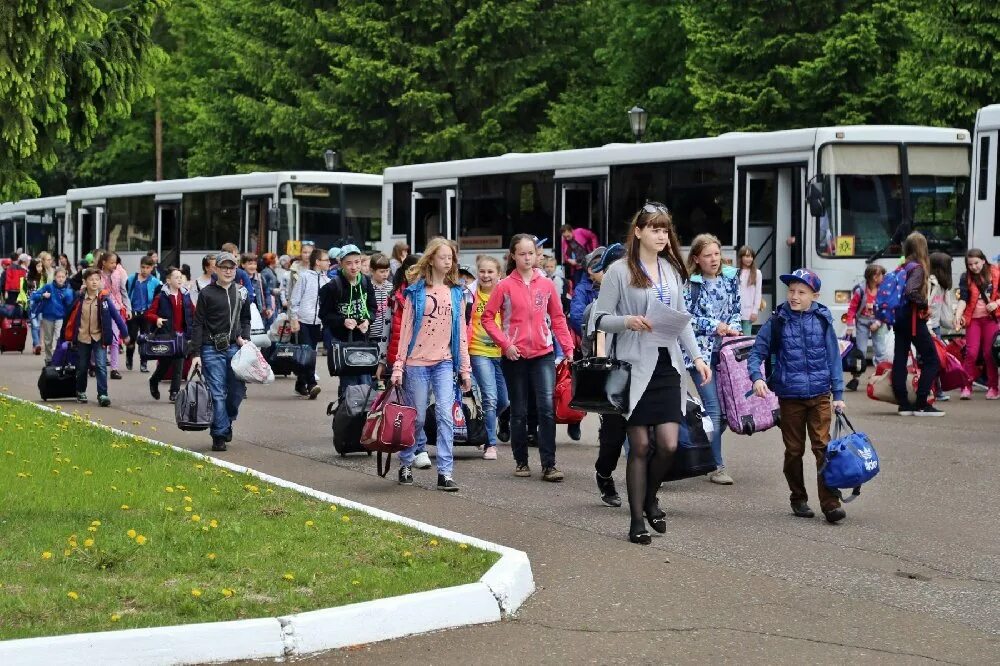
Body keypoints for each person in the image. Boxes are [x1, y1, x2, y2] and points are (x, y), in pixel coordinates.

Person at [591, 203, 711, 544]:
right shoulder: (618, 271)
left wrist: (698, 358)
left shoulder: (672, 270)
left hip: (667, 364)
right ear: (639, 232)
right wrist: (627, 321)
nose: (661, 235)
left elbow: (682, 318)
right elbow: (598, 319)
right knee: (640, 445)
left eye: (665, 230)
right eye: (655, 229)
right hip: (634, 365)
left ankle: (649, 497)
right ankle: (636, 522)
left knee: (669, 444)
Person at [747, 268, 847, 523]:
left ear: (815, 295)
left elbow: (834, 358)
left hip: (820, 394)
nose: (794, 296)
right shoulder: (778, 320)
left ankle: (830, 502)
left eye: (801, 292)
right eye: (791, 291)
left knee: (822, 448)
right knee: (794, 450)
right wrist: (757, 378)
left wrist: (838, 393)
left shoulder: (822, 320)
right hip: (790, 395)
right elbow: (756, 352)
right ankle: (798, 498)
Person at [483, 234, 576, 483]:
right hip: (515, 356)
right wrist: (505, 344)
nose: (527, 258)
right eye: (522, 253)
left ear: (537, 255)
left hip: (543, 353)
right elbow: (488, 318)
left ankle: (549, 465)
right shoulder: (504, 286)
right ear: (513, 256)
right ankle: (521, 461)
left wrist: (567, 347)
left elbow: (557, 317)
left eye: (531, 253)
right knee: (520, 411)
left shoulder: (546, 284)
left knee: (546, 408)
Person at [390, 239, 471, 491]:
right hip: (416, 363)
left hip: (444, 363)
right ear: (431, 259)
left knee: (446, 416)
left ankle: (445, 473)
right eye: (444, 257)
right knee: (418, 417)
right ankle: (405, 462)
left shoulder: (456, 293)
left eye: (451, 257)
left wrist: (465, 369)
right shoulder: (415, 292)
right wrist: (398, 366)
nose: (448, 261)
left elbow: (461, 334)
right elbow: (405, 331)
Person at [685, 233, 742, 485]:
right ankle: (717, 466)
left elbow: (737, 310)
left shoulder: (731, 279)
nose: (714, 259)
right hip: (700, 355)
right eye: (707, 255)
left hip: (728, 353)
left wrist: (734, 326)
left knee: (729, 412)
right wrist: (714, 325)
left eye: (717, 254)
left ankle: (697, 444)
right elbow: (686, 318)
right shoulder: (691, 284)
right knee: (714, 410)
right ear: (697, 259)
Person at [189, 252, 252, 451]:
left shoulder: (241, 292)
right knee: (217, 393)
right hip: (210, 348)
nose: (227, 271)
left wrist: (244, 336)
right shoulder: (207, 293)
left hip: (234, 347)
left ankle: (226, 421)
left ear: (236, 270)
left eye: (231, 267)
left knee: (237, 392)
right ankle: (219, 434)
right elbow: (197, 324)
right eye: (223, 267)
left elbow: (246, 319)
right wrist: (196, 354)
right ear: (215, 269)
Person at [891, 232, 943, 416]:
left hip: (899, 319)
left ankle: (903, 403)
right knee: (932, 359)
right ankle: (922, 402)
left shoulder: (901, 267)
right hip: (913, 319)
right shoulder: (918, 268)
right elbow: (910, 291)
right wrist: (923, 304)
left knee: (899, 359)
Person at [63, 268, 131, 407]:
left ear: (100, 282)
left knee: (100, 366)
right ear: (85, 282)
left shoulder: (104, 299)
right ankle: (81, 391)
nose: (94, 282)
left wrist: (125, 334)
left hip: (99, 338)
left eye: (97, 280)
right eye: (91, 280)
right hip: (82, 338)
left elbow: (117, 317)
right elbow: (69, 316)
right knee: (82, 367)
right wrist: (64, 337)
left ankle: (103, 394)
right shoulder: (80, 298)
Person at [319, 244, 377, 398]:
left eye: (357, 262)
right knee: (349, 384)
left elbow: (373, 308)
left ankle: (364, 419)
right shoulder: (332, 287)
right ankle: (347, 415)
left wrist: (368, 320)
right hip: (343, 342)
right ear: (341, 264)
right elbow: (324, 315)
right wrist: (342, 321)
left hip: (363, 340)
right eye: (349, 263)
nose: (354, 267)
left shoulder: (365, 282)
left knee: (366, 382)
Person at [467, 254, 510, 460]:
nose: (486, 275)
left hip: (502, 352)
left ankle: (483, 426)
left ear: (498, 274)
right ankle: (490, 444)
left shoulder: (505, 294)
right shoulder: (470, 294)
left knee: (504, 400)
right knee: (490, 397)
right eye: (482, 271)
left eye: (490, 272)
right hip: (478, 351)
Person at [955, 248, 1000, 400]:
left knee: (989, 354)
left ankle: (993, 387)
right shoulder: (966, 277)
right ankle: (966, 386)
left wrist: (996, 303)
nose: (974, 267)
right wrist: (958, 314)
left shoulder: (996, 272)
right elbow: (963, 299)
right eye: (970, 264)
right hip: (973, 320)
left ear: (983, 260)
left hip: (991, 319)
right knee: (971, 353)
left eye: (976, 263)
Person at [145, 267, 194, 402]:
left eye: (180, 277)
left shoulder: (185, 295)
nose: (179, 279)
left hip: (181, 336)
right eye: (176, 277)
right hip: (166, 336)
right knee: (165, 364)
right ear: (168, 280)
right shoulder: (161, 297)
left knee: (179, 363)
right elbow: (149, 314)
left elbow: (192, 312)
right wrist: (157, 319)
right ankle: (154, 381)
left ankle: (174, 392)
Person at [289, 248, 331, 398]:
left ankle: (300, 383)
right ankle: (312, 383)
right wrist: (294, 319)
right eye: (326, 260)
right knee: (308, 352)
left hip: (318, 323)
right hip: (303, 320)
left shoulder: (328, 280)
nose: (329, 262)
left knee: (309, 353)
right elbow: (294, 299)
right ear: (318, 262)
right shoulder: (305, 277)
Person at [843, 264, 889, 391]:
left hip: (878, 322)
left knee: (880, 350)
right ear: (874, 277)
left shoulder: (883, 290)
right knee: (861, 351)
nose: (883, 278)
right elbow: (852, 309)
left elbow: (886, 308)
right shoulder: (860, 291)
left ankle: (882, 376)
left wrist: (878, 322)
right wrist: (850, 326)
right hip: (862, 322)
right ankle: (855, 377)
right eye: (881, 275)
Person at [97, 251, 132, 379]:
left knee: (115, 339)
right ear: (104, 262)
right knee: (98, 336)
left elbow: (124, 292)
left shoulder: (119, 274)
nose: (114, 265)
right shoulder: (97, 275)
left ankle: (114, 368)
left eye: (115, 262)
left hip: (116, 308)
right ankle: (94, 364)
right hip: (100, 308)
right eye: (111, 262)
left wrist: (128, 309)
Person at [125, 256, 162, 373]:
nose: (144, 270)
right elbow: (125, 293)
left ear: (152, 268)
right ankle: (129, 356)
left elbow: (158, 299)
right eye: (143, 267)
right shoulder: (132, 279)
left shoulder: (155, 282)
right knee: (131, 338)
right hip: (133, 313)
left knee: (145, 339)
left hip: (146, 314)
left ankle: (143, 363)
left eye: (147, 267)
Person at [30, 266, 74, 364]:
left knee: (60, 338)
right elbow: (34, 296)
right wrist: (43, 295)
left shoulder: (68, 290)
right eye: (59, 277)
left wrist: (68, 299)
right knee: (48, 340)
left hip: (61, 317)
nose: (61, 279)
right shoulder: (48, 287)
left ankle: (59, 358)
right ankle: (49, 359)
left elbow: (71, 304)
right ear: (54, 277)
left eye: (63, 277)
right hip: (48, 317)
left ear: (66, 277)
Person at [367, 253, 394, 373]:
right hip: (373, 333)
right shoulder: (367, 287)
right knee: (373, 365)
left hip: (387, 334)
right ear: (372, 270)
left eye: (387, 271)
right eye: (381, 271)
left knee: (385, 367)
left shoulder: (391, 287)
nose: (385, 274)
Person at [737, 245, 763, 335]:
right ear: (741, 257)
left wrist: (755, 311)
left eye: (751, 256)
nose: (750, 259)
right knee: (735, 339)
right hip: (735, 313)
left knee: (746, 339)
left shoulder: (757, 273)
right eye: (747, 256)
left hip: (748, 312)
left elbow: (758, 294)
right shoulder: (736, 272)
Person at [260, 252, 281, 321]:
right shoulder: (266, 272)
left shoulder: (271, 271)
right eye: (277, 259)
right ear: (271, 261)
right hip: (270, 301)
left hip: (273, 301)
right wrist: (273, 290)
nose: (278, 261)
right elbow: (264, 288)